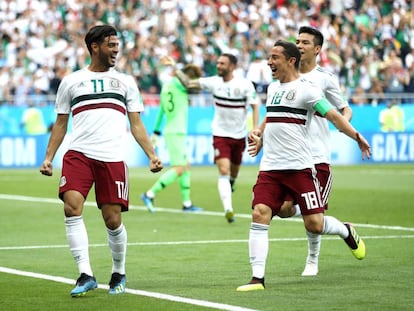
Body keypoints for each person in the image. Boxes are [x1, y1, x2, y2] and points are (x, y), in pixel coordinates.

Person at [236, 40, 371, 292]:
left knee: (315, 225)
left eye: (275, 57)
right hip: (270, 169)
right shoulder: (273, 88)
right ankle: (257, 279)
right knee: (260, 213)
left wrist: (356, 136)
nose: (269, 62)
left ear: (290, 60)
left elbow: (333, 115)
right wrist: (259, 135)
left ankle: (345, 230)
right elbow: (273, 118)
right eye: (269, 56)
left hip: (300, 169)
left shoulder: (308, 90)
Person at [39, 25, 163, 297]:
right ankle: (85, 274)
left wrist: (152, 155)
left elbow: (137, 124)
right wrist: (49, 157)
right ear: (94, 46)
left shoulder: (126, 81)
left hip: (112, 158)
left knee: (112, 219)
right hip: (79, 154)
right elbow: (61, 124)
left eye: (117, 45)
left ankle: (118, 271)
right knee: (72, 208)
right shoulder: (71, 82)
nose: (116, 49)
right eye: (111, 44)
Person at [278, 26, 354, 277]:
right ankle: (342, 228)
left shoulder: (325, 78)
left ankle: (313, 260)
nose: (299, 45)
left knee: (314, 221)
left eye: (305, 42)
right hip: (291, 157)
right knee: (283, 209)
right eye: (297, 41)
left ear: (317, 49)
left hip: (317, 156)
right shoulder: (287, 77)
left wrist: (344, 127)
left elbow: (344, 109)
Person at [163, 53, 260, 223]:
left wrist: (255, 129)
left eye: (222, 63)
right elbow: (188, 83)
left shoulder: (244, 85)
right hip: (220, 134)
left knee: (233, 174)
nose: (218, 66)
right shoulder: (213, 82)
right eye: (218, 63)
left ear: (232, 66)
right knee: (223, 170)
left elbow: (255, 105)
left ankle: (230, 185)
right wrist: (174, 67)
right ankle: (228, 210)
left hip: (238, 135)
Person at [140, 64, 204, 213]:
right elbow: (194, 87)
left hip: (171, 130)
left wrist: (156, 132)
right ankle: (149, 194)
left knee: (185, 165)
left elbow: (161, 110)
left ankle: (187, 204)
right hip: (177, 131)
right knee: (179, 167)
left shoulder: (166, 86)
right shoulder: (182, 86)